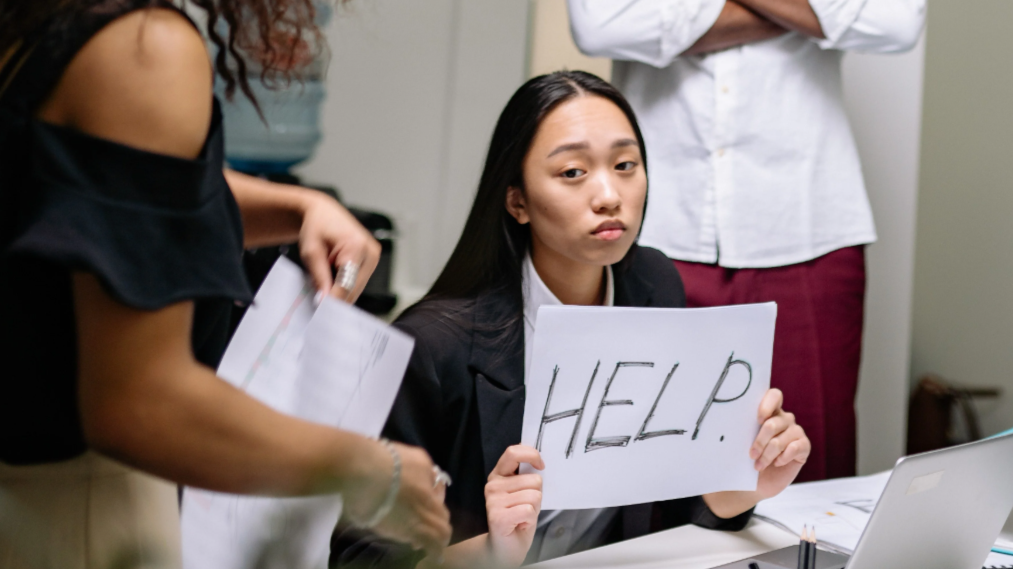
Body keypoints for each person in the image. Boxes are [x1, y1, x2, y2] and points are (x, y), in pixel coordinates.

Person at [0, 1, 450, 567]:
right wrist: (372, 472)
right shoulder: (141, 49)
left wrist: (294, 206)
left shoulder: (42, 24)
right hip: (78, 519)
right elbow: (141, 402)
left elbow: (104, 189)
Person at [330, 71, 811, 569]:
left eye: (626, 165)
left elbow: (656, 502)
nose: (608, 195)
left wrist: (737, 486)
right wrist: (491, 550)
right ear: (517, 200)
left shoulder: (651, 285)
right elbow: (359, 560)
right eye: (573, 173)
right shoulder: (431, 345)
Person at [567, 0, 926, 481]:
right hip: (663, 224)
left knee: (810, 460)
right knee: (648, 459)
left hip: (806, 223)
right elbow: (600, 25)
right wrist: (804, 18)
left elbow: (896, 22)